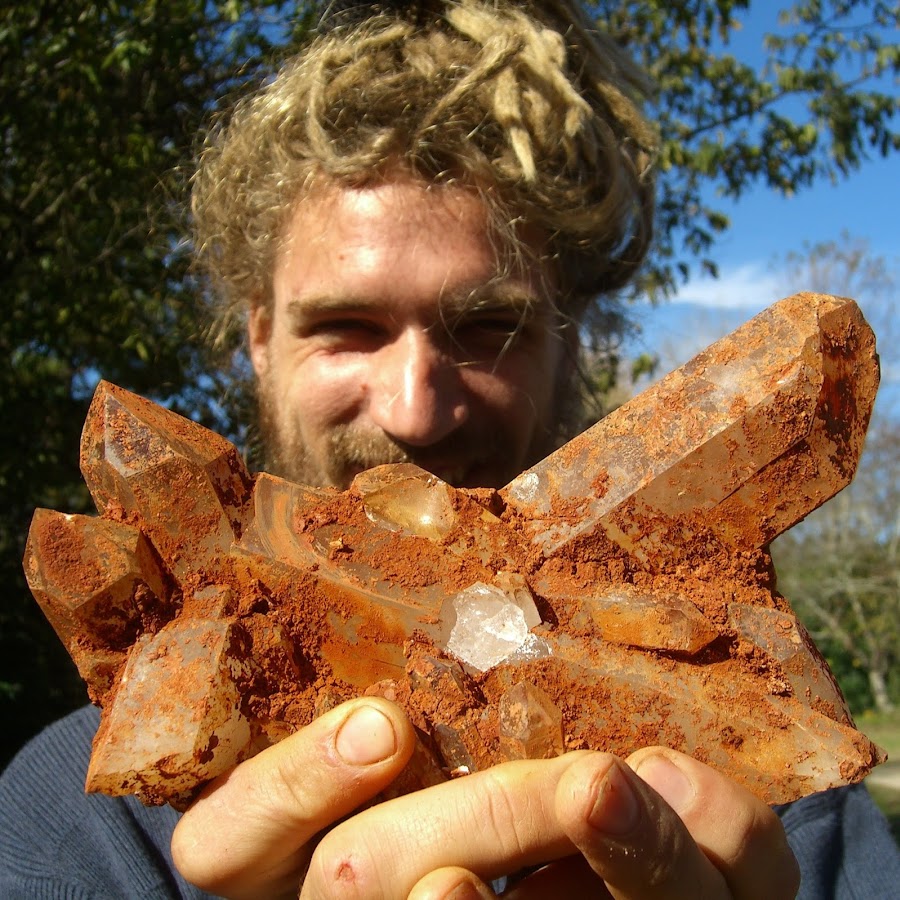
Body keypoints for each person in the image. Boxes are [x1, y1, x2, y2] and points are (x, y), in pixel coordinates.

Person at [1, 1, 898, 897]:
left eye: (485, 326)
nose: (414, 412)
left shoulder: (785, 814)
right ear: (260, 340)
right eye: (347, 327)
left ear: (571, 345)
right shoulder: (63, 833)